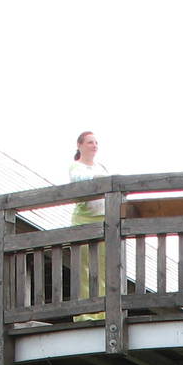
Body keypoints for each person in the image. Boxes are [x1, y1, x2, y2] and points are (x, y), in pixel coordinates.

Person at [67, 131, 110, 315]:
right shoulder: (76, 167)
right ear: (80, 145)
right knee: (83, 268)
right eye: (90, 142)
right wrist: (101, 180)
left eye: (96, 142)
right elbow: (80, 180)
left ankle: (103, 312)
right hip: (84, 219)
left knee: (104, 267)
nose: (94, 145)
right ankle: (84, 314)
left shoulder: (102, 167)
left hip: (104, 220)